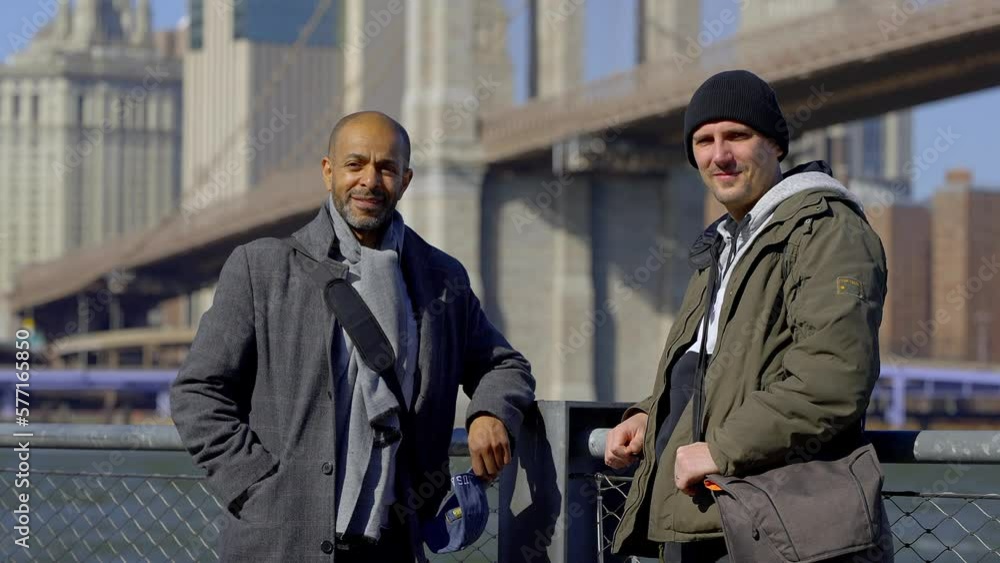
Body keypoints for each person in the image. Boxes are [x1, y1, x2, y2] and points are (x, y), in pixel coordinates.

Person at [171, 111, 536, 562]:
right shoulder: (262, 268)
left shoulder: (442, 278)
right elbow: (197, 393)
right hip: (280, 543)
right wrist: (259, 488)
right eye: (355, 164)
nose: (370, 180)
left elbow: (503, 364)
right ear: (328, 172)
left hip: (395, 544)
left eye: (386, 168)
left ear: (405, 180)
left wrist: (490, 414)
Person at [605, 70, 894, 562]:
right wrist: (649, 417)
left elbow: (833, 377)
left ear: (776, 146)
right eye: (704, 140)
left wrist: (721, 448)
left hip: (785, 529)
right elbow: (717, 370)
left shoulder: (826, 232)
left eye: (737, 136)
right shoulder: (727, 243)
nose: (719, 155)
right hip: (717, 515)